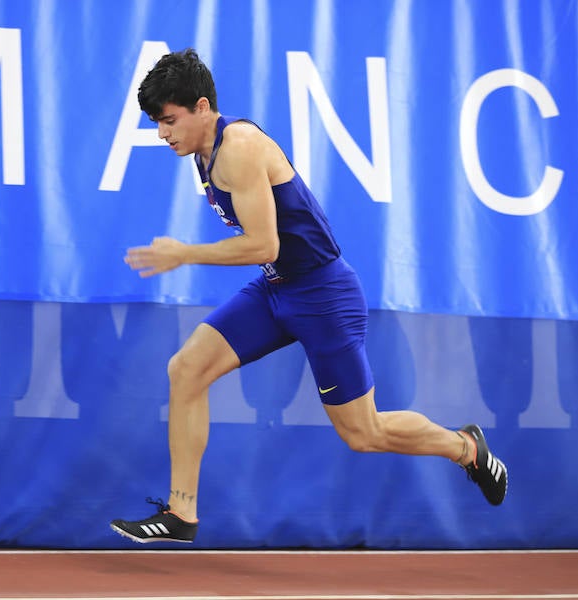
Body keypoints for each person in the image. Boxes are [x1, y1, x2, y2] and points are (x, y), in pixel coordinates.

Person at [110, 49, 507, 544]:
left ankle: (465, 446)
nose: (163, 134)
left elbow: (264, 244)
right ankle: (181, 512)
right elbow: (270, 255)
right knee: (186, 368)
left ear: (203, 106)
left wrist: (184, 254)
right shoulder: (202, 153)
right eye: (156, 124)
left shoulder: (241, 146)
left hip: (324, 296)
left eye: (169, 121)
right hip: (277, 289)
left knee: (364, 434)